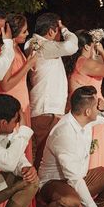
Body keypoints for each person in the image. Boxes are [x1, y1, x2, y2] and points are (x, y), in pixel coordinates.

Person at [0, 13, 38, 207]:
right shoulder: (5, 51)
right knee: (10, 158)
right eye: (24, 31)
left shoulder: (17, 49)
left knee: (23, 158)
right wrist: (27, 65)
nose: (27, 33)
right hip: (10, 109)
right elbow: (6, 83)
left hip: (22, 105)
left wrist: (30, 63)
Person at [27, 13, 78, 170]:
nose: (59, 35)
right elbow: (72, 46)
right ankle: (38, 192)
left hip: (46, 108)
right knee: (44, 158)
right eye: (57, 31)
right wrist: (65, 29)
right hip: (46, 110)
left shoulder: (35, 44)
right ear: (50, 31)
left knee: (46, 156)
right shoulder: (42, 45)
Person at [67, 29, 104, 169]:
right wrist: (102, 51)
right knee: (96, 148)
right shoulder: (84, 62)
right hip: (95, 109)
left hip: (85, 107)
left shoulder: (78, 61)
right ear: (87, 46)